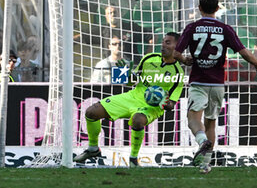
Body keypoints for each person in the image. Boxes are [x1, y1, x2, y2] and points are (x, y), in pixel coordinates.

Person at [173, 0, 257, 174]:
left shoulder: (192, 27)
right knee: (211, 122)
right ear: (217, 8)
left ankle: (201, 142)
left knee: (193, 119)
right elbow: (243, 51)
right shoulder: (225, 29)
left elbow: (176, 54)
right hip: (218, 84)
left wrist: (185, 60)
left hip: (199, 81)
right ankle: (205, 163)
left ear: (199, 8)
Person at [74, 32, 184, 167]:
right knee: (91, 112)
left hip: (152, 107)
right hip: (132, 96)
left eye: (168, 43)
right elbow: (132, 83)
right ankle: (93, 149)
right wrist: (127, 73)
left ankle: (133, 158)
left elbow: (172, 104)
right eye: (162, 42)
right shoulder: (149, 58)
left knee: (138, 120)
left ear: (177, 46)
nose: (162, 45)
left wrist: (162, 101)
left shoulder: (178, 73)